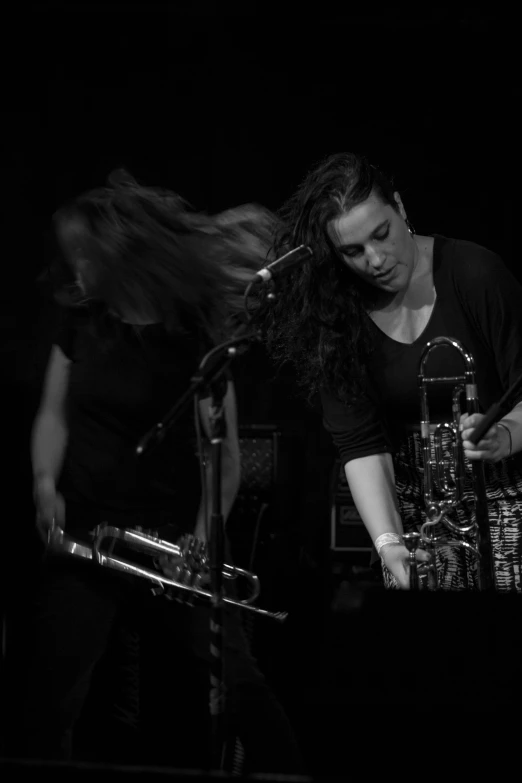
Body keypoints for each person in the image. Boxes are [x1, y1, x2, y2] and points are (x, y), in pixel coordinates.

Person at [11, 171, 304, 773]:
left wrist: (201, 530)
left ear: (118, 255)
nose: (76, 271)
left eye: (84, 257)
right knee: (46, 697)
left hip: (174, 545)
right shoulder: (82, 323)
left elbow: (221, 453)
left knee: (239, 686)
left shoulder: (192, 332)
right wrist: (44, 483)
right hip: (88, 539)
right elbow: (53, 417)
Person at [260, 151, 522, 591]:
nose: (376, 260)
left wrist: (506, 435)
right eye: (353, 251)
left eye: (382, 235)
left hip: (509, 506)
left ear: (400, 208)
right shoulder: (336, 315)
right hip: (420, 528)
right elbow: (359, 444)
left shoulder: (475, 275)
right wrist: (387, 543)